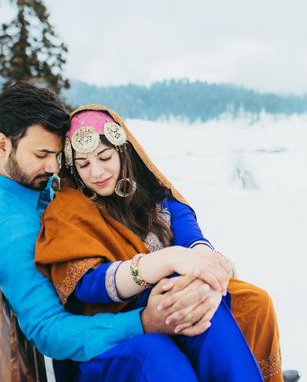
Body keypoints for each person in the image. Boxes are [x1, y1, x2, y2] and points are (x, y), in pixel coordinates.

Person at [0, 82, 231, 372]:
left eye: (55, 156)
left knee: (213, 306)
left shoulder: (25, 184)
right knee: (169, 340)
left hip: (116, 309)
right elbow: (49, 329)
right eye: (41, 155)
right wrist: (144, 320)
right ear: (2, 145)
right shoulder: (10, 230)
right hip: (90, 355)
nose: (54, 168)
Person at [35, 104, 283, 381]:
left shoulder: (150, 195)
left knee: (236, 304)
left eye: (104, 157)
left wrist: (204, 273)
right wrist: (163, 263)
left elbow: (189, 232)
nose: (96, 172)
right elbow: (86, 285)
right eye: (83, 164)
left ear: (123, 151)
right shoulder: (68, 211)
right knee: (193, 313)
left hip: (171, 299)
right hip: (117, 325)